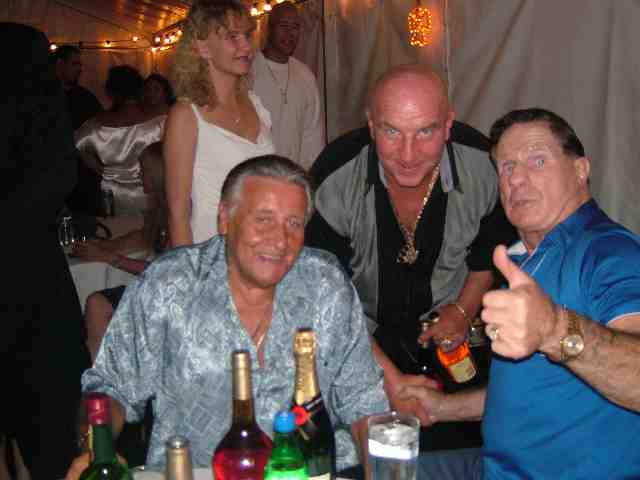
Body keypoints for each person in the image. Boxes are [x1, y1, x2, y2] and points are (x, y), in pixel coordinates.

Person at [64, 155, 388, 478]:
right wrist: (95, 451)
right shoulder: (169, 285)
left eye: (294, 223)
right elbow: (109, 389)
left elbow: (363, 400)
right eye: (263, 219)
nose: (280, 240)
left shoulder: (326, 284)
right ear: (224, 219)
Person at [403, 108, 640, 479]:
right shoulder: (523, 260)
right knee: (374, 466)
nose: (517, 178)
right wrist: (441, 408)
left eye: (538, 161)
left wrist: (555, 329)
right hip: (491, 467)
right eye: (507, 167)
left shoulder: (607, 252)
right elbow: (525, 391)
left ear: (580, 170)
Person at [305, 63, 517, 451]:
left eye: (425, 132)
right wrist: (390, 380)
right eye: (391, 132)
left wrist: (463, 311)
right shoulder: (334, 177)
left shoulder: (483, 166)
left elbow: (491, 250)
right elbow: (324, 294)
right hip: (361, 339)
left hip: (453, 333)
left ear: (448, 125)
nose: (408, 154)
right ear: (371, 126)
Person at [0, 22, 90, 480]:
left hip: (27, 270)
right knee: (47, 412)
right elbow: (59, 178)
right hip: (33, 274)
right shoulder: (42, 105)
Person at [165, 0, 274, 246]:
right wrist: (190, 268)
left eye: (248, 35)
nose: (246, 46)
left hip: (260, 249)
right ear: (203, 47)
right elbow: (177, 214)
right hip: (211, 252)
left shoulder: (256, 104)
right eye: (233, 37)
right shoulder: (187, 115)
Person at [73, 142, 168, 361]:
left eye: (144, 170)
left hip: (167, 295)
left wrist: (109, 257)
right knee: (97, 303)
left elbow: (166, 269)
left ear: (157, 175)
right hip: (156, 289)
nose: (139, 175)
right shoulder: (160, 208)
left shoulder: (178, 211)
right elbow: (141, 236)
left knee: (97, 305)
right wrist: (102, 247)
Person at [75, 65, 165, 216]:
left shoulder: (94, 126)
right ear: (139, 90)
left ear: (111, 92)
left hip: (111, 196)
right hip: (148, 194)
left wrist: (104, 171)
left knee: (115, 228)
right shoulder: (159, 124)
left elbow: (78, 146)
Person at [249, 1, 325, 170]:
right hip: (256, 174)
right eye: (283, 26)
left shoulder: (305, 75)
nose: (289, 34)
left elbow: (312, 134)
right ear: (269, 29)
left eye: (295, 27)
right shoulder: (249, 71)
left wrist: (311, 174)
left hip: (293, 175)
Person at [53, 45, 104, 216]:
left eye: (80, 65)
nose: (80, 69)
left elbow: (101, 130)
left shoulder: (85, 98)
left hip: (82, 179)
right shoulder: (42, 98)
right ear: (60, 64)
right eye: (75, 64)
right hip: (52, 177)